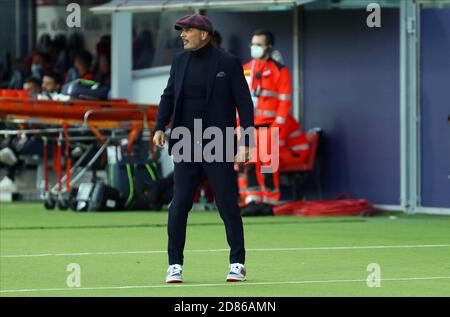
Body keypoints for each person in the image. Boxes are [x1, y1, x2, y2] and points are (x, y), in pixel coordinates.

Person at [152, 13, 254, 283]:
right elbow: (168, 95)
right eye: (181, 31)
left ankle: (237, 263)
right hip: (185, 141)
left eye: (188, 31)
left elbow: (245, 104)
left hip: (218, 142)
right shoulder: (179, 60)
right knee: (179, 205)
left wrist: (246, 142)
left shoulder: (229, 63)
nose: (182, 35)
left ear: (204, 34)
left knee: (227, 204)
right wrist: (159, 127)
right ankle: (174, 264)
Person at [238, 30, 293, 213]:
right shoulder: (245, 69)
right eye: (253, 44)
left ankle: (269, 203)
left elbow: (285, 101)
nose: (254, 48)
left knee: (268, 167)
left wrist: (276, 127)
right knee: (248, 166)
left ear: (268, 47)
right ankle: (251, 201)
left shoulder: (279, 70)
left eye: (259, 44)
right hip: (247, 127)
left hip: (269, 127)